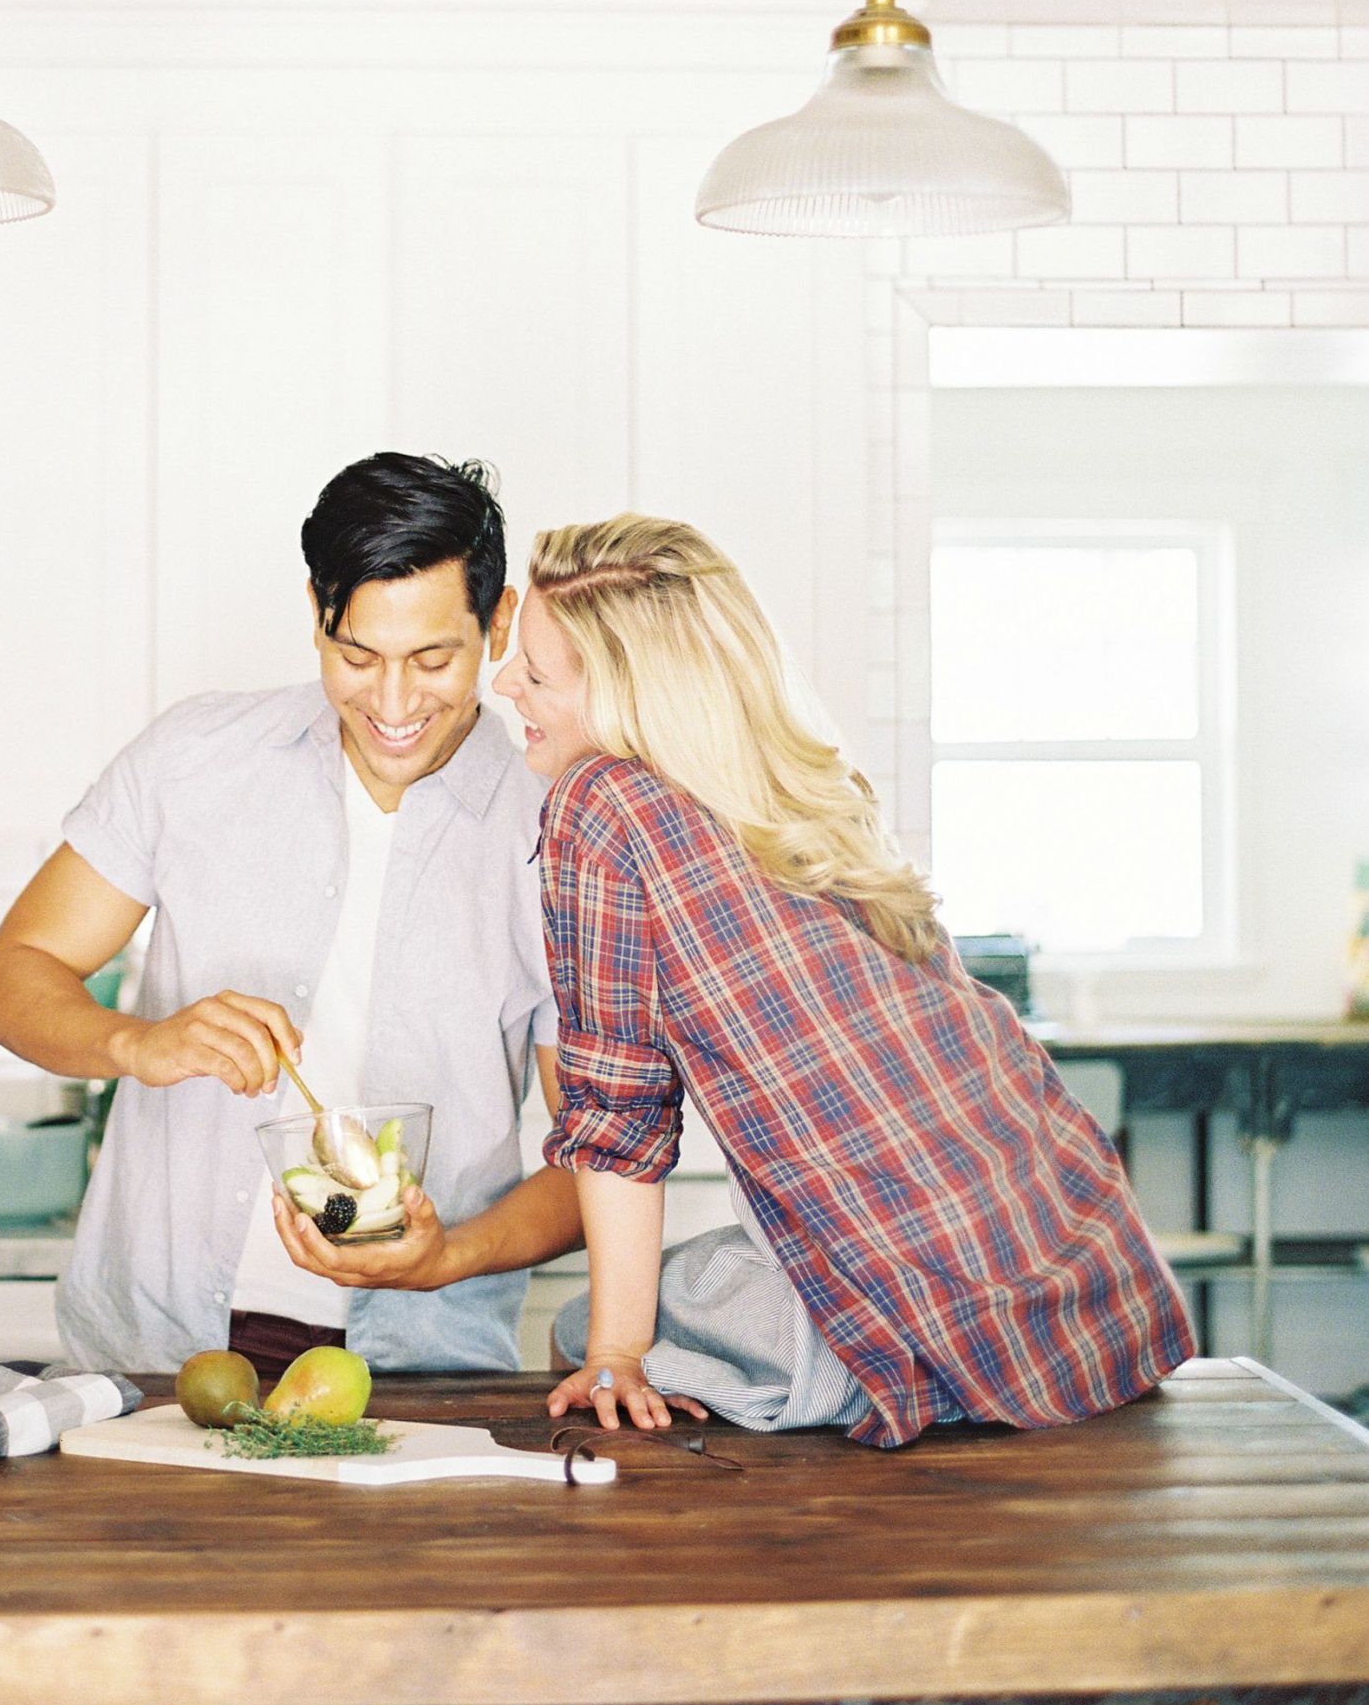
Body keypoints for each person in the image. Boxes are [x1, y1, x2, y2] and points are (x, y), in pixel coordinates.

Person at [493, 513, 1194, 1448]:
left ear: (628, 692)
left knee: (586, 1325)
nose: (504, 685)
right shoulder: (802, 783)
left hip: (917, 1320)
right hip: (1088, 1283)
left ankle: (854, 1380)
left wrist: (617, 1352)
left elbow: (618, 1115)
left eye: (535, 674)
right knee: (713, 1270)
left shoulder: (600, 803)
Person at [0, 452, 579, 1379]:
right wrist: (136, 1043)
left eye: (432, 659)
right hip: (151, 1356)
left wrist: (446, 1257)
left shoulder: (563, 839)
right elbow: (11, 974)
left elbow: (598, 1163)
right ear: (316, 611)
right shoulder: (193, 759)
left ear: (497, 626)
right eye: (356, 655)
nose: (393, 702)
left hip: (421, 1372)